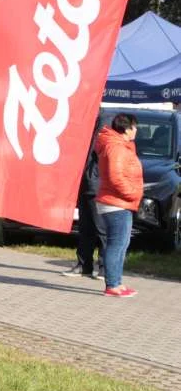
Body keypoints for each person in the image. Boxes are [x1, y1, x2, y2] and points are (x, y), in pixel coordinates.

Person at [94, 113, 142, 297]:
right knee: (117, 243)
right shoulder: (116, 148)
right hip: (116, 203)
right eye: (134, 127)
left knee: (122, 243)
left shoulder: (120, 146)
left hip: (120, 202)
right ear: (126, 129)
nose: (136, 130)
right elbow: (115, 176)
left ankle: (117, 282)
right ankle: (112, 284)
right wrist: (132, 193)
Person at [63, 118, 104, 279]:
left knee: (101, 228)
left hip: (95, 185)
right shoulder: (80, 129)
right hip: (82, 184)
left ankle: (104, 267)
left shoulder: (103, 130)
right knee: (85, 228)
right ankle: (84, 264)